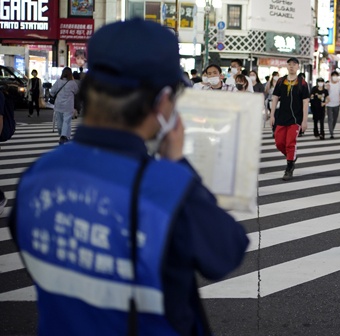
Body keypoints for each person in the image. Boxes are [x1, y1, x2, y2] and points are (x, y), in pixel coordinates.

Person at [8, 19, 249, 335]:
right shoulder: (165, 187)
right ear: (163, 101)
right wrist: (177, 163)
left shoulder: (37, 176)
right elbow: (226, 252)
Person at [269, 57, 310, 181]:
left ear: (298, 67)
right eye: (289, 64)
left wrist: (304, 120)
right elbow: (275, 97)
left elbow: (305, 102)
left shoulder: (302, 83)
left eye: (294, 64)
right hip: (281, 117)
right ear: (287, 66)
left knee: (290, 143)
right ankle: (291, 157)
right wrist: (271, 115)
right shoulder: (281, 81)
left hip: (296, 119)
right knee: (279, 142)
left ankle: (289, 168)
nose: (291, 66)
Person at [50, 67, 79, 145]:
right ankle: (64, 136)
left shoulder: (58, 82)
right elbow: (76, 91)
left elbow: (52, 92)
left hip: (59, 105)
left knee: (59, 123)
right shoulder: (72, 83)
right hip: (68, 106)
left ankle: (62, 136)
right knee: (66, 122)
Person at [326, 71, 340, 138]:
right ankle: (331, 133)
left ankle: (332, 129)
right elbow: (325, 94)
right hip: (329, 104)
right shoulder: (328, 85)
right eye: (333, 76)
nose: (335, 77)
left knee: (335, 118)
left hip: (337, 104)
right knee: (330, 118)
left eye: (336, 76)